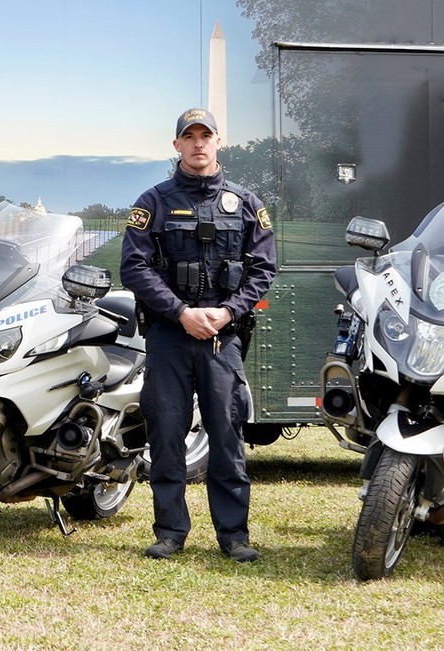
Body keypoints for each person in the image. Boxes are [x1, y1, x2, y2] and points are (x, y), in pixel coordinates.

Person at [120, 108, 276, 562]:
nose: (198, 143)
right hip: (170, 334)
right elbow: (134, 267)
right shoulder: (153, 201)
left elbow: (264, 268)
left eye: (205, 135)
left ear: (218, 141)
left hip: (221, 337)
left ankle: (234, 536)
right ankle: (170, 532)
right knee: (167, 433)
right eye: (189, 136)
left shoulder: (245, 202)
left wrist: (228, 312)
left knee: (226, 434)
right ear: (177, 145)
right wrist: (180, 312)